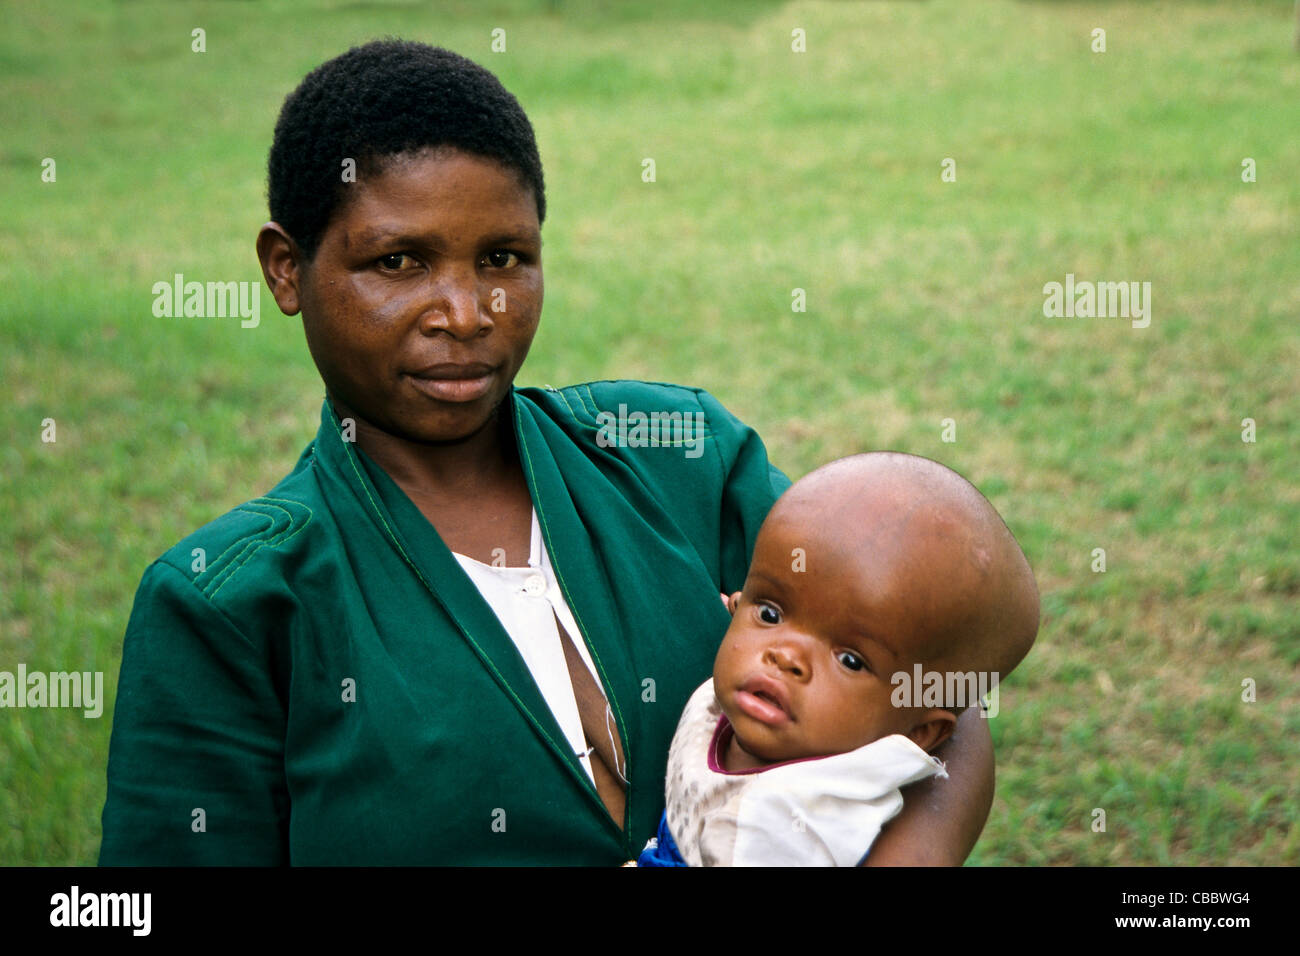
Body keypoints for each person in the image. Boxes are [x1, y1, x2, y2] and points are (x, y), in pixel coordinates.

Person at [99, 40, 994, 865]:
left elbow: (934, 680)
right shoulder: (233, 605)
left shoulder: (677, 456)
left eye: (503, 257)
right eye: (399, 262)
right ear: (286, 269)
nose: (466, 311)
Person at [638, 453, 1040, 866]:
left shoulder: (802, 831)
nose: (786, 655)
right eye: (771, 613)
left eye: (850, 660)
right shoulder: (740, 700)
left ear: (919, 733)